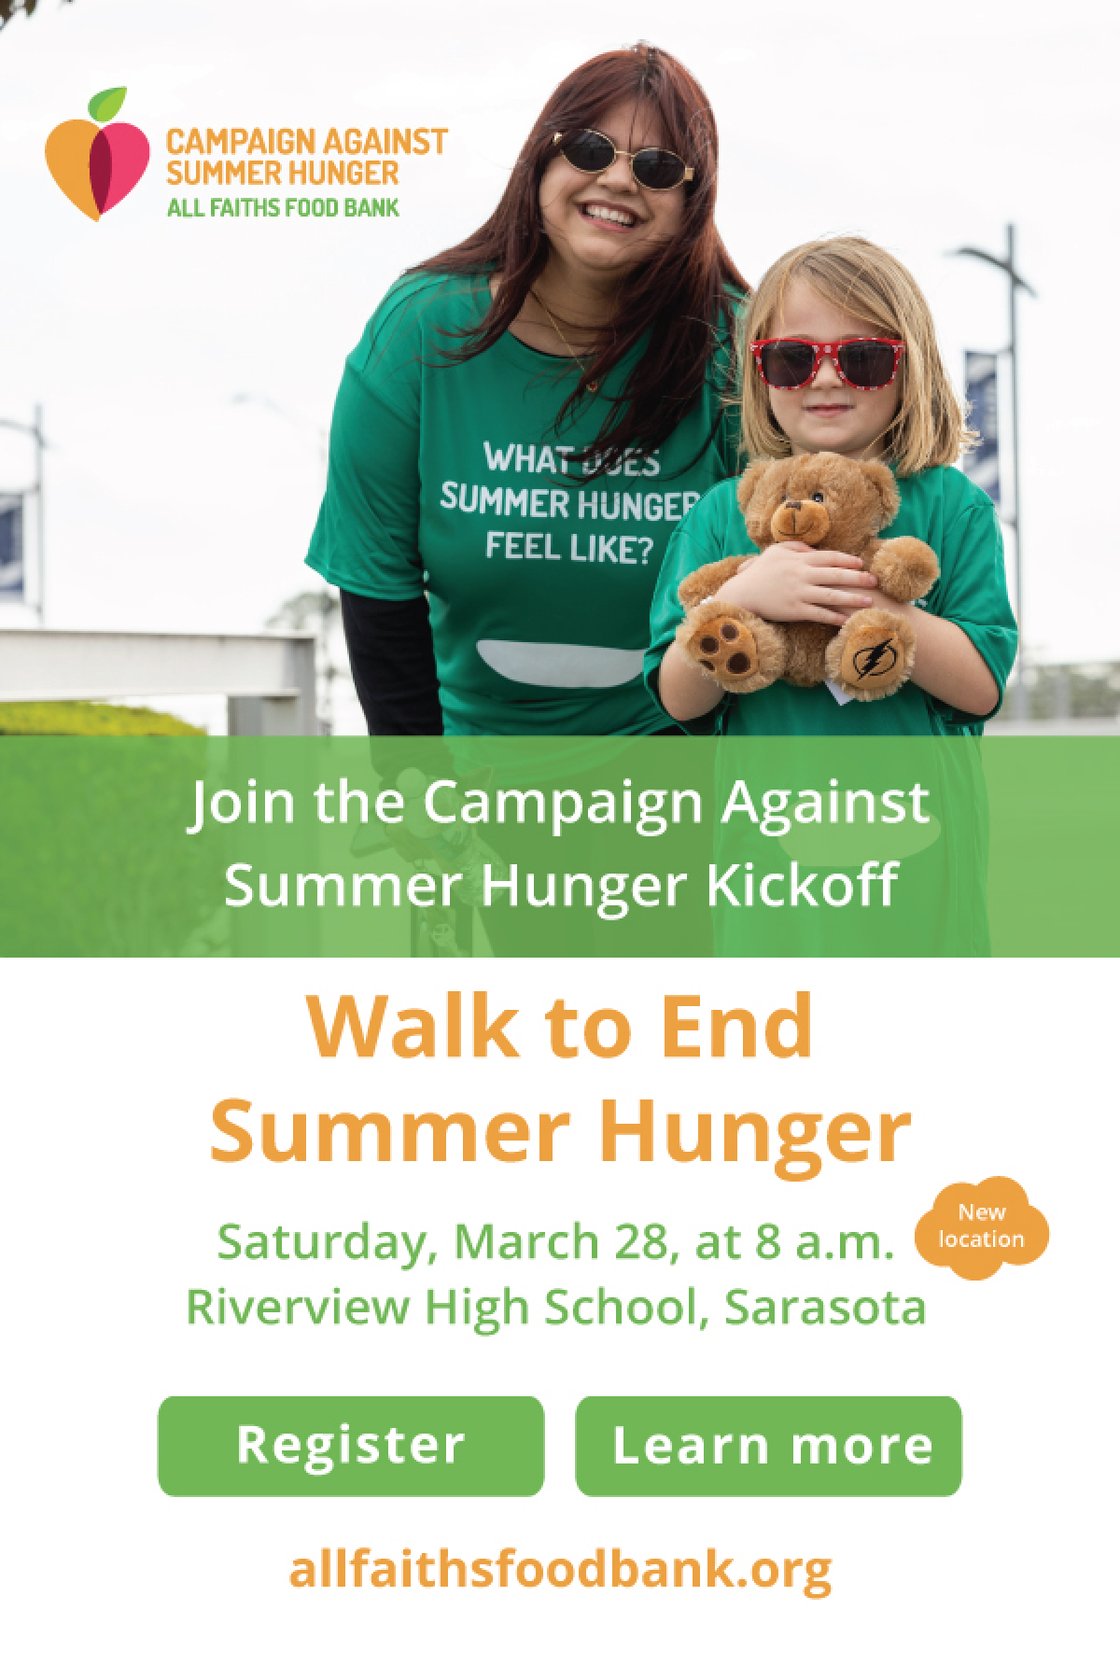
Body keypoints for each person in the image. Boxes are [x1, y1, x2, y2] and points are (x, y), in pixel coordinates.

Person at [306, 44, 747, 736]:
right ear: (543, 159)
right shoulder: (421, 330)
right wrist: (420, 791)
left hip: (690, 771)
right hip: (476, 769)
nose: (620, 181)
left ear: (693, 201)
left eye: (658, 167)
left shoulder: (737, 349)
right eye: (593, 150)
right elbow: (376, 582)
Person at [646, 236, 1018, 735]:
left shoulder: (955, 505)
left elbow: (981, 688)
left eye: (863, 358)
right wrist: (740, 599)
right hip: (764, 811)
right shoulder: (720, 512)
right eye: (791, 358)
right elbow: (677, 701)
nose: (823, 377)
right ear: (760, 375)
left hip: (913, 810)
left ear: (910, 369)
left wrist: (858, 601)